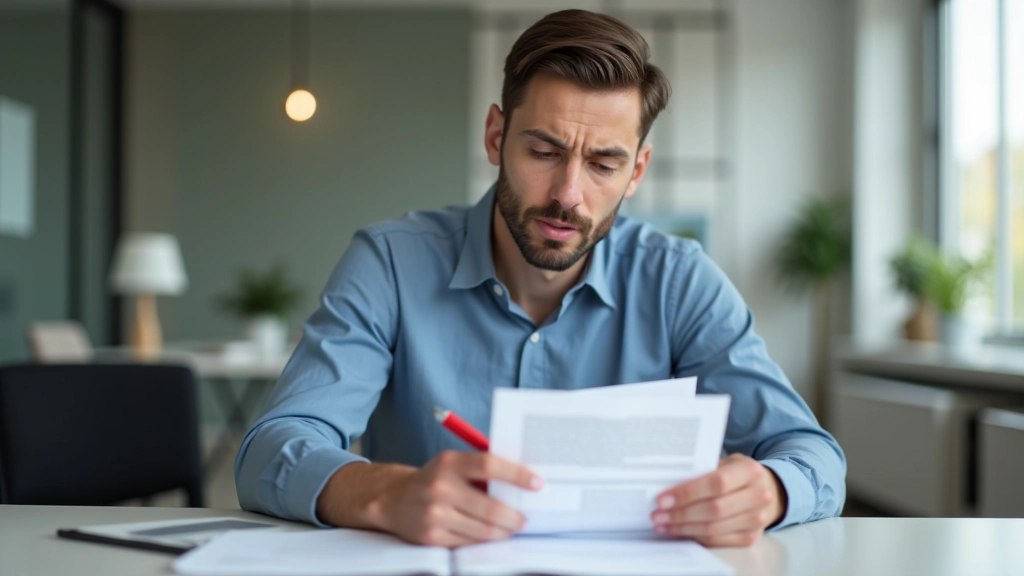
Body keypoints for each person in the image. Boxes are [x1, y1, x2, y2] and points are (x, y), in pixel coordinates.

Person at [235, 8, 845, 549]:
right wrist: (382, 493)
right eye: (544, 152)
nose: (568, 196)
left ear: (637, 172)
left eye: (604, 163)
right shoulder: (390, 263)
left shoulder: (680, 281)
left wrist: (769, 490)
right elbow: (271, 447)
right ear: (496, 136)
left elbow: (814, 454)